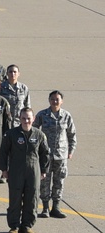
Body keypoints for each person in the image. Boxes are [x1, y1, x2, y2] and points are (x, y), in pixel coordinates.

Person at [0, 108, 49, 233]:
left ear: (33, 119)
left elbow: (45, 154)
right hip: (16, 171)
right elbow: (3, 152)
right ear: (19, 119)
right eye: (23, 118)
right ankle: (14, 226)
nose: (26, 121)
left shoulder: (39, 135)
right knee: (15, 199)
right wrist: (4, 169)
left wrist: (44, 170)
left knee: (32, 199)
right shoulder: (11, 134)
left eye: (28, 118)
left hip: (33, 171)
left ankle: (27, 225)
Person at [33, 91, 77, 219]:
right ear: (49, 100)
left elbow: (72, 134)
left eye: (57, 99)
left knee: (59, 181)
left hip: (61, 155)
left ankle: (56, 207)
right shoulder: (42, 115)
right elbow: (34, 131)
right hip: (45, 155)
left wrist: (71, 151)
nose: (55, 102)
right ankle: (45, 208)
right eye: (52, 99)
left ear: (61, 101)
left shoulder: (66, 116)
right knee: (44, 182)